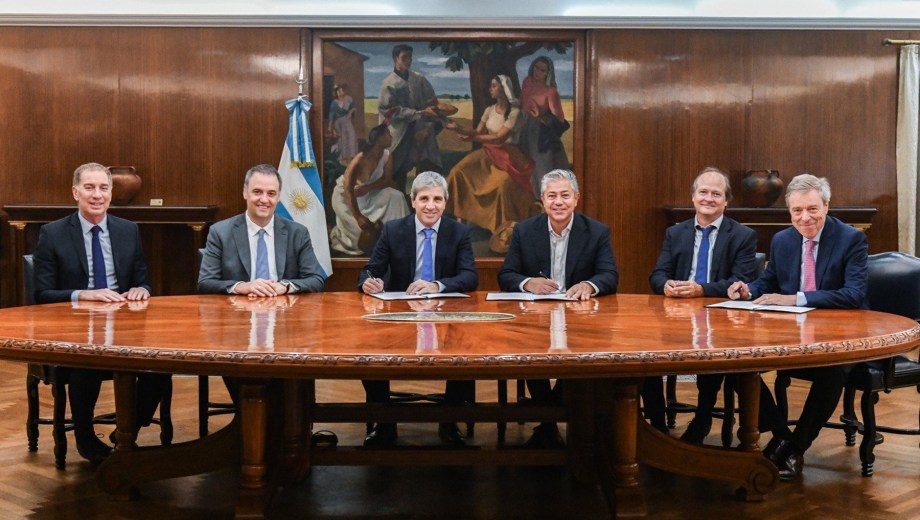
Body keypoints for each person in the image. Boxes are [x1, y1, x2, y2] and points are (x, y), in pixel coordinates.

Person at [728, 173, 868, 481]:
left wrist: (795, 298)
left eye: (812, 209)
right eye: (797, 211)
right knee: (738, 364)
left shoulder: (850, 238)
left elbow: (854, 294)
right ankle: (780, 434)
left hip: (843, 335)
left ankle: (796, 448)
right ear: (789, 212)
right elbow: (769, 281)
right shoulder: (782, 240)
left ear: (826, 206)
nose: (805, 218)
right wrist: (748, 289)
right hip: (793, 333)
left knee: (832, 372)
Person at [33, 162, 168, 464]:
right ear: (75, 192)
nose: (97, 195)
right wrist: (85, 294)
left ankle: (128, 428)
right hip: (74, 327)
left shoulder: (128, 230)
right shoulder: (53, 234)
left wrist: (142, 290)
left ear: (110, 193)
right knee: (87, 365)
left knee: (160, 365)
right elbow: (41, 295)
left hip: (124, 325)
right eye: (89, 188)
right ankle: (84, 437)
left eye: (103, 188)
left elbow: (142, 279)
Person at [498, 169, 619, 447]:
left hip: (580, 318)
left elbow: (610, 274)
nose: (559, 202)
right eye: (552, 196)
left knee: (580, 355)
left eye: (565, 195)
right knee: (528, 351)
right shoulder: (525, 231)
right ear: (542, 199)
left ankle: (549, 414)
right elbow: (507, 274)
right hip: (535, 318)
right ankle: (551, 418)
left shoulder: (596, 231)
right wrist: (528, 283)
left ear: (576, 199)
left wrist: (588, 285)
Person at [357, 171, 478, 447]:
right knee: (368, 350)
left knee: (466, 349)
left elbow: (470, 277)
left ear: (445, 203)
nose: (430, 205)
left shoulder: (458, 232)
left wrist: (436, 285)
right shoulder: (393, 230)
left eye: (437, 199)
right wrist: (369, 282)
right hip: (400, 315)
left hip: (447, 314)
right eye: (424, 198)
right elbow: (370, 270)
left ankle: (449, 419)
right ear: (413, 201)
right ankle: (384, 421)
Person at [646, 167, 758, 439]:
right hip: (676, 318)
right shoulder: (676, 233)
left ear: (726, 201)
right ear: (693, 197)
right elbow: (657, 274)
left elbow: (741, 281)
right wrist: (666, 285)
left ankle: (703, 418)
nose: (709, 198)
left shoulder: (743, 235)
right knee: (644, 356)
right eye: (703, 192)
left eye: (716, 194)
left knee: (712, 351)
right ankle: (658, 426)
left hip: (720, 318)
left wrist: (701, 290)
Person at [198, 163, 325, 297]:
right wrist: (242, 286)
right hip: (238, 311)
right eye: (257, 192)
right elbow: (205, 283)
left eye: (271, 193)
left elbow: (316, 280)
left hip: (283, 311)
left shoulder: (298, 233)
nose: (264, 200)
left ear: (278, 197)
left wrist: (285, 286)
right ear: (245, 193)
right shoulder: (220, 232)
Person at [445, 74, 541, 251]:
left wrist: (470, 139)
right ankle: (460, 221)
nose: (491, 89)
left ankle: (499, 229)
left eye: (494, 85)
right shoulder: (489, 110)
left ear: (504, 90)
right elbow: (477, 131)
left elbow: (499, 138)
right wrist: (457, 128)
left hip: (509, 155)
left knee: (503, 185)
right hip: (488, 153)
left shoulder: (515, 113)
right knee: (458, 171)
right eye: (491, 85)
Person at [329, 124, 410, 256]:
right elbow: (348, 188)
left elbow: (386, 179)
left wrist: (368, 188)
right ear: (379, 138)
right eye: (388, 134)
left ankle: (399, 237)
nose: (391, 137)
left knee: (396, 196)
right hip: (347, 199)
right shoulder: (360, 158)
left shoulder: (387, 155)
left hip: (369, 194)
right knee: (359, 241)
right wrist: (358, 217)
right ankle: (336, 232)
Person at [378, 44, 443, 192]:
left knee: (427, 167)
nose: (408, 61)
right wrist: (418, 113)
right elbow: (389, 111)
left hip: (421, 130)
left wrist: (427, 127)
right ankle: (400, 203)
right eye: (404, 57)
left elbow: (433, 104)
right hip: (399, 134)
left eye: (410, 58)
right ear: (395, 59)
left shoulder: (419, 80)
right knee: (396, 172)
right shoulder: (388, 83)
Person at [519, 56, 571, 198]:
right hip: (522, 128)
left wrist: (539, 116)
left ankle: (542, 202)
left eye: (542, 70)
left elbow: (559, 119)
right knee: (522, 165)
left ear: (548, 73)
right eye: (536, 67)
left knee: (540, 170)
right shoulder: (527, 81)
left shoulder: (551, 91)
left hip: (540, 133)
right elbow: (522, 101)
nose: (538, 72)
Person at [327, 84, 359, 163]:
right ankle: (341, 159)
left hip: (347, 120)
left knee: (351, 136)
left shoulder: (348, 99)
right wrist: (329, 126)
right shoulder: (334, 103)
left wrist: (350, 112)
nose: (341, 93)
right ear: (336, 93)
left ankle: (351, 157)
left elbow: (354, 107)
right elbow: (331, 115)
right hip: (338, 122)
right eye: (339, 91)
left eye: (342, 91)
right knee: (341, 139)